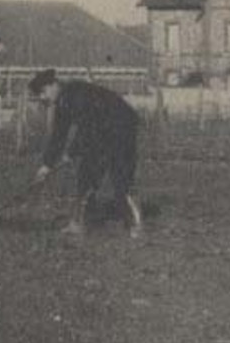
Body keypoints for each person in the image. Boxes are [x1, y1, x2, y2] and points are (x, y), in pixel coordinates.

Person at [28, 69, 144, 238]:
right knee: (86, 175)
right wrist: (47, 165)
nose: (42, 98)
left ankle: (136, 224)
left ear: (53, 85)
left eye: (43, 92)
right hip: (101, 132)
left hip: (121, 128)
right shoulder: (62, 103)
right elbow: (59, 135)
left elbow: (88, 127)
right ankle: (80, 223)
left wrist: (72, 153)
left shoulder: (77, 93)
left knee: (121, 177)